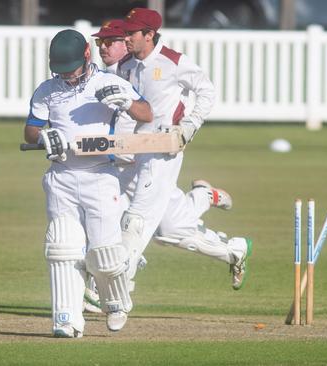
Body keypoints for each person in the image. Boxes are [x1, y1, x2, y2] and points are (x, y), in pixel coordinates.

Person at [89, 19, 250, 292]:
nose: (104, 47)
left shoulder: (157, 64)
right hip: (120, 165)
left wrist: (188, 126)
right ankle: (232, 246)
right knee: (171, 231)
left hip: (155, 154)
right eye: (100, 42)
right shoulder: (111, 73)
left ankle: (112, 286)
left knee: (135, 223)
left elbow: (203, 91)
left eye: (111, 41)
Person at [24, 29, 153, 336]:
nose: (67, 77)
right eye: (61, 72)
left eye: (71, 70)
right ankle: (67, 320)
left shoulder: (108, 82)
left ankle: (116, 302)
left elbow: (146, 113)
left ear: (86, 55)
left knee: (104, 253)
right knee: (62, 247)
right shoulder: (47, 90)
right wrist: (44, 137)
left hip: (99, 176)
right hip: (61, 176)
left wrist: (125, 102)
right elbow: (30, 131)